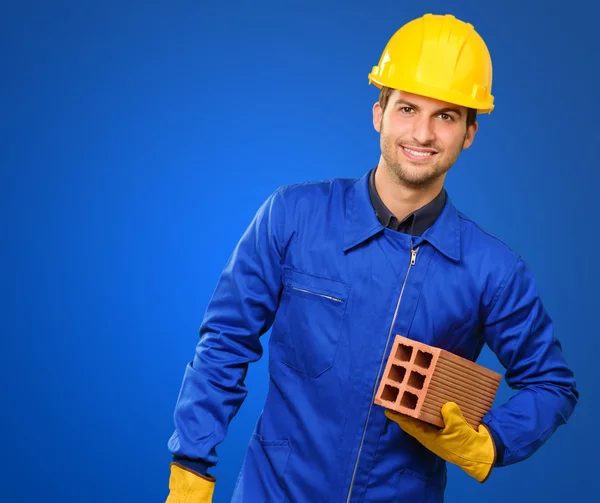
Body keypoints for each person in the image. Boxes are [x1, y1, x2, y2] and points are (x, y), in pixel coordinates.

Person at [164, 13, 579, 503]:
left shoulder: (493, 271)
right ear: (379, 112)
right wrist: (191, 464)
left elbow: (551, 385)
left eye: (445, 115)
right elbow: (226, 340)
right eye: (407, 108)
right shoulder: (293, 216)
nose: (422, 133)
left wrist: (490, 441)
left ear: (469, 132)